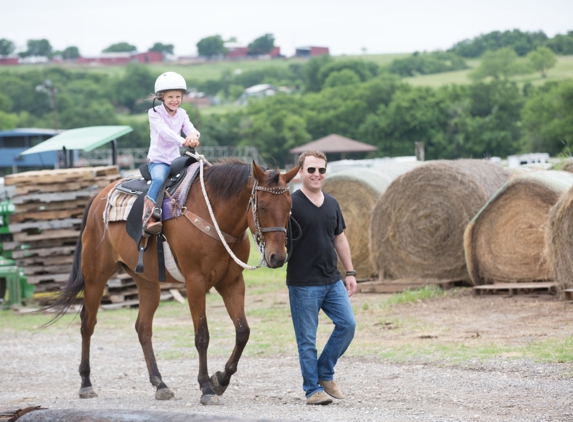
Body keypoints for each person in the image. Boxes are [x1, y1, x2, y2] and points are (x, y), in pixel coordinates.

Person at [287, 150, 357, 405]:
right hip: (303, 282)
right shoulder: (291, 204)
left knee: (348, 325)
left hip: (332, 279)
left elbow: (339, 238)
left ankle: (325, 373)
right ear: (301, 172)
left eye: (321, 170)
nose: (317, 174)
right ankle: (311, 389)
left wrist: (349, 272)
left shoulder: (332, 203)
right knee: (307, 340)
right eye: (311, 170)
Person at [143, 72, 200, 235]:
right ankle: (148, 216)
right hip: (159, 160)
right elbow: (165, 132)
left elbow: (190, 128)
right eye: (170, 97)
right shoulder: (154, 113)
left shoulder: (182, 113)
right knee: (160, 179)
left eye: (178, 96)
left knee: (195, 177)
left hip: (176, 160)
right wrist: (184, 141)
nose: (175, 100)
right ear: (161, 97)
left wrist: (193, 135)